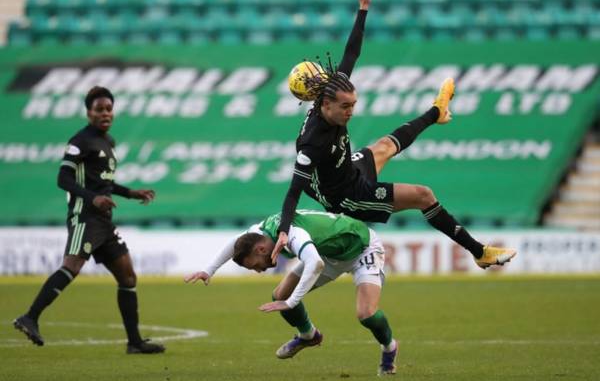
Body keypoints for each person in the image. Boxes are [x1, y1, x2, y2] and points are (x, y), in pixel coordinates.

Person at [275, 0, 516, 268]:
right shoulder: (313, 141)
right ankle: (480, 252)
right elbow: (293, 190)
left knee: (386, 145)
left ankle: (436, 113)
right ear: (325, 104)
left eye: (353, 104)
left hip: (348, 170)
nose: (351, 111)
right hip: (347, 196)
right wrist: (284, 231)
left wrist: (362, 10)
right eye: (346, 107)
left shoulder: (331, 92)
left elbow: (351, 53)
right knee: (423, 195)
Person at [13, 86, 165, 354]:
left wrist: (130, 192)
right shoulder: (79, 142)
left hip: (104, 222)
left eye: (109, 108)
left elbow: (104, 182)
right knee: (71, 267)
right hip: (85, 216)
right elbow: (63, 179)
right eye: (99, 109)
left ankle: (134, 342)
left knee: (128, 276)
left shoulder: (108, 142)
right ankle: (30, 317)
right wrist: (92, 198)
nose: (105, 113)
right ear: (89, 112)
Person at [185, 210, 399, 375]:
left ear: (261, 250)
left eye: (255, 265)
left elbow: (314, 264)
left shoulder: (292, 234)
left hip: (361, 248)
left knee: (366, 314)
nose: (258, 270)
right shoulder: (258, 233)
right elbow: (235, 243)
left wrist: (292, 302)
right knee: (280, 295)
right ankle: (308, 336)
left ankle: (389, 348)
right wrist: (208, 270)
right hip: (328, 253)